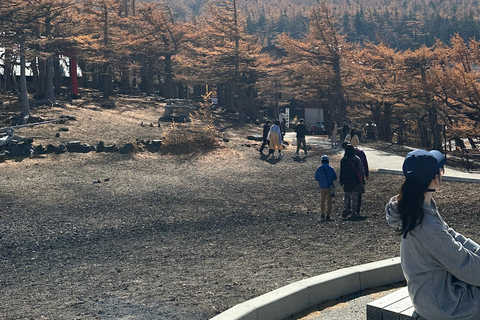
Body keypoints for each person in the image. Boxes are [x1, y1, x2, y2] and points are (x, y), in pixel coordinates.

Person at [386, 149, 480, 319]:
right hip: (442, 303)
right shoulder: (425, 224)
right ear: (435, 179)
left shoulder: (418, 207)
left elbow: (453, 236)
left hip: (433, 293)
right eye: (441, 170)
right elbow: (462, 263)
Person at [339, 144, 364, 218]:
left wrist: (341, 180)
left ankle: (346, 208)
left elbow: (341, 171)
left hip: (346, 181)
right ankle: (354, 212)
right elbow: (361, 170)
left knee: (347, 196)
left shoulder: (343, 159)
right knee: (355, 197)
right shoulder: (357, 159)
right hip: (355, 181)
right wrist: (362, 180)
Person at [314, 155, 337, 221]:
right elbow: (335, 177)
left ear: (321, 161)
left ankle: (322, 213)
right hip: (329, 187)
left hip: (322, 187)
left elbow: (316, 178)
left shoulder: (319, 168)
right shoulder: (331, 169)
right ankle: (328, 215)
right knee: (329, 201)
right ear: (328, 161)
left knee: (323, 200)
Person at [354, 146, 369, 215]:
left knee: (350, 193)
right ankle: (357, 210)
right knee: (359, 193)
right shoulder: (361, 153)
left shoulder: (348, 154)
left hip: (352, 176)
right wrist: (366, 173)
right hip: (360, 176)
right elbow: (365, 163)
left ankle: (349, 208)